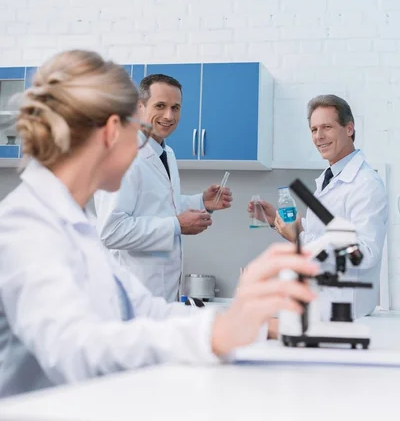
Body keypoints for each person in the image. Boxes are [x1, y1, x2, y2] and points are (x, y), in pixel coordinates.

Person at [0, 50, 318, 398]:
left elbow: (144, 309)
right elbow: (76, 349)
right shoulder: (26, 228)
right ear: (111, 132)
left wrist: (252, 324)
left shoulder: (75, 222)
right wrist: (214, 335)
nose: (143, 142)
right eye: (137, 130)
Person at [94, 73, 232, 302]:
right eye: (160, 106)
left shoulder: (165, 153)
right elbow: (111, 230)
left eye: (175, 107)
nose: (169, 116)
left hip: (162, 297)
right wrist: (177, 225)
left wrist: (200, 202)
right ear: (139, 108)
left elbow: (157, 205)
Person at [249, 94, 388, 320]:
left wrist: (300, 237)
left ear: (349, 128)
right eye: (314, 130)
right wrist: (277, 220)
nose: (319, 137)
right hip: (321, 303)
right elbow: (323, 232)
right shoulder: (330, 177)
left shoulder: (365, 184)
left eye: (327, 127)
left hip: (346, 312)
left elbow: (364, 253)